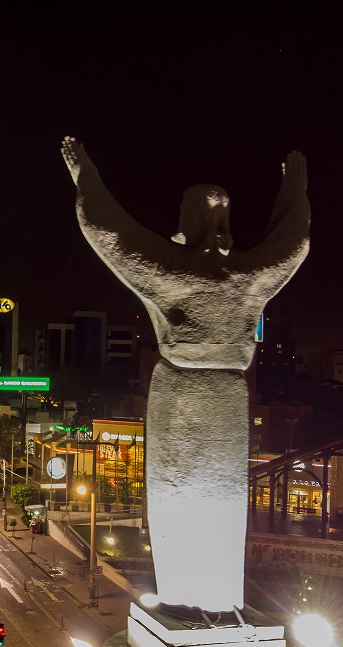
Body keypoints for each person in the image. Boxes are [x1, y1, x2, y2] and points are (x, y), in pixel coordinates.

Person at [62, 137, 309, 613]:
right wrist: (293, 190)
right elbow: (293, 241)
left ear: (188, 217)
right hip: (229, 401)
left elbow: (108, 231)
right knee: (222, 506)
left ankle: (184, 598)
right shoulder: (250, 275)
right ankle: (217, 600)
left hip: (179, 394)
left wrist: (85, 175)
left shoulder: (170, 270)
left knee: (178, 500)